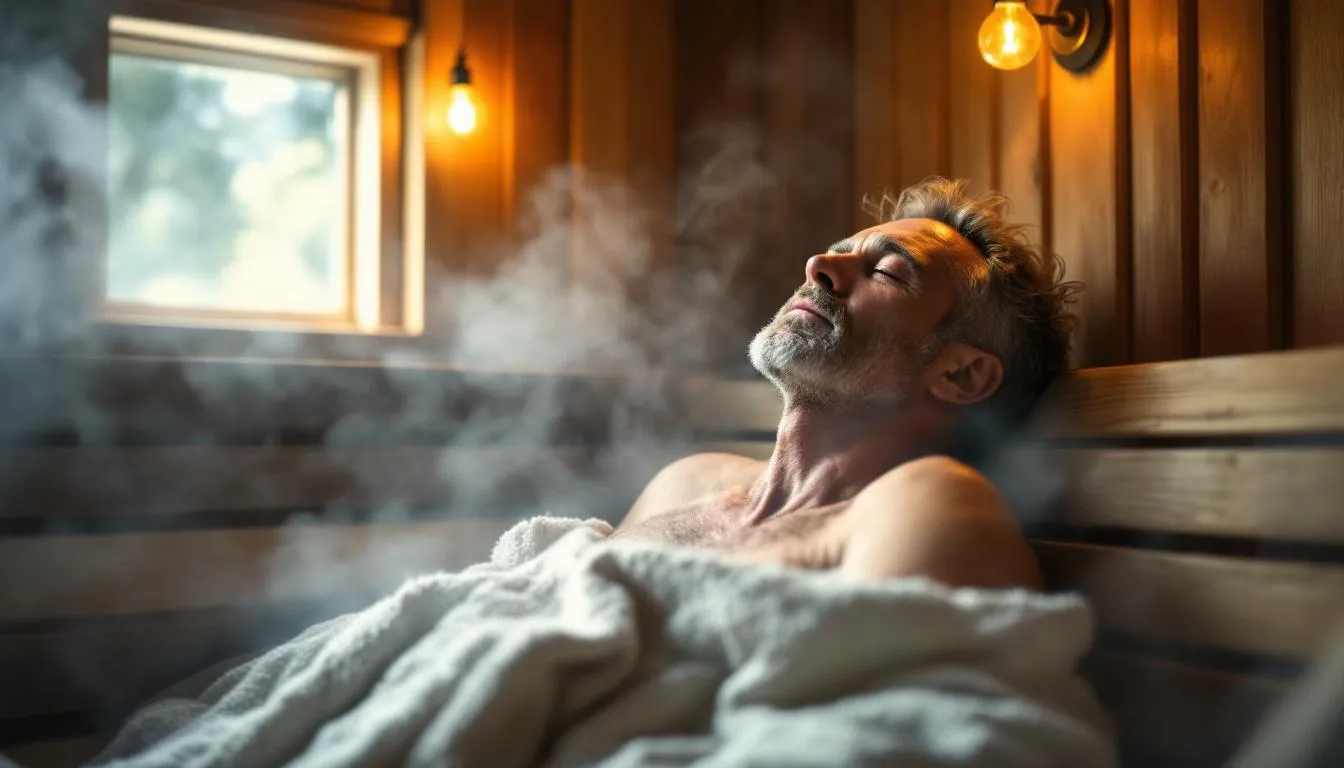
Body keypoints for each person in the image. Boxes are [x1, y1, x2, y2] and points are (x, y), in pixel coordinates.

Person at [612, 177, 1081, 590]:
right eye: (838, 252)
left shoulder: (936, 508)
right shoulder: (686, 480)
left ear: (961, 375)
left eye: (886, 271)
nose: (818, 265)